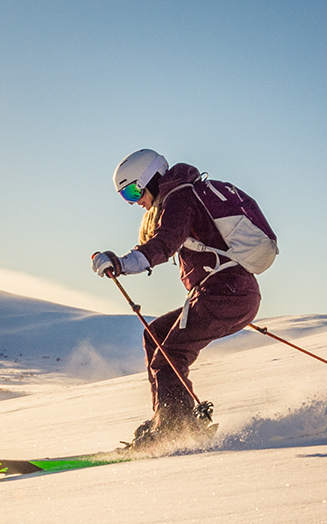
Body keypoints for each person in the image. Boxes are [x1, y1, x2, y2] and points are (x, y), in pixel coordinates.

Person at [92, 149, 263, 450]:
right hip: (227, 293)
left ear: (150, 178)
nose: (134, 202)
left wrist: (121, 263)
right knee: (156, 335)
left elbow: (164, 243)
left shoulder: (179, 198)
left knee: (170, 354)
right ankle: (167, 417)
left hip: (226, 292)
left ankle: (174, 426)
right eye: (125, 197)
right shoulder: (181, 198)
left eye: (133, 191)